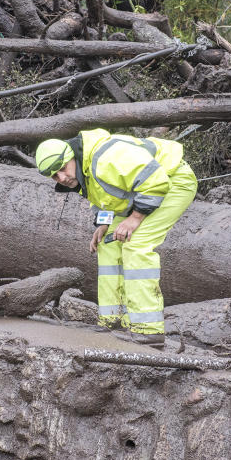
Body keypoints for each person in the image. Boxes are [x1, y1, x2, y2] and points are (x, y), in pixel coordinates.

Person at [34, 129, 197, 349]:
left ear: (72, 155)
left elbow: (155, 181)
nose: (62, 178)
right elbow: (106, 198)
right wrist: (103, 224)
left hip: (171, 182)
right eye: (55, 176)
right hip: (140, 192)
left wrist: (136, 218)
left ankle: (148, 330)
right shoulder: (83, 168)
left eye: (62, 168)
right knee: (108, 244)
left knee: (136, 245)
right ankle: (113, 321)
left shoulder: (106, 158)